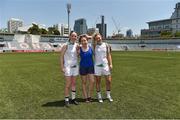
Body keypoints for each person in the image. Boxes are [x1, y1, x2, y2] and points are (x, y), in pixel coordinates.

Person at [60, 31, 79, 107]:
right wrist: (62, 67)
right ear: (70, 36)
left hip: (75, 67)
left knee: (74, 83)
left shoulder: (77, 45)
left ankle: (73, 99)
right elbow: (61, 57)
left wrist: (78, 51)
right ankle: (67, 99)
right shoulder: (66, 45)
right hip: (67, 67)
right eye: (73, 36)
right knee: (68, 84)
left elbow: (77, 55)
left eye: (75, 36)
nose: (74, 37)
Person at [93, 33, 113, 103]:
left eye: (99, 37)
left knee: (109, 81)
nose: (98, 39)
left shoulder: (106, 45)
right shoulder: (94, 45)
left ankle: (108, 95)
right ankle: (99, 96)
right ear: (95, 39)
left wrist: (110, 64)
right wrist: (89, 36)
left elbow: (109, 55)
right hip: (97, 66)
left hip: (105, 65)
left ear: (101, 37)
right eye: (97, 38)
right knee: (98, 81)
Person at [78, 34, 94, 103]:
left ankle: (89, 95)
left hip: (90, 66)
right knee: (84, 82)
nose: (84, 42)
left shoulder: (91, 47)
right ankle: (85, 97)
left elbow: (95, 38)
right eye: (82, 41)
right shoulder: (79, 48)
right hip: (83, 67)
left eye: (85, 40)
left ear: (87, 41)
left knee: (92, 81)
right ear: (80, 42)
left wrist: (87, 36)